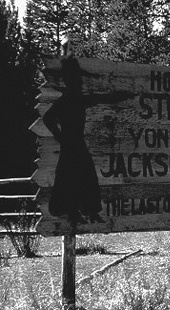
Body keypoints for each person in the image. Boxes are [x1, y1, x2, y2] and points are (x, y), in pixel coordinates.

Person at [43, 57, 104, 224]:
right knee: (72, 176)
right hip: (71, 143)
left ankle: (88, 211)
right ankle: (74, 212)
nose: (79, 82)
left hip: (76, 141)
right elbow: (48, 117)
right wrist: (59, 135)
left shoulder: (77, 98)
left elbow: (97, 100)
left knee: (83, 175)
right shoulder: (67, 99)